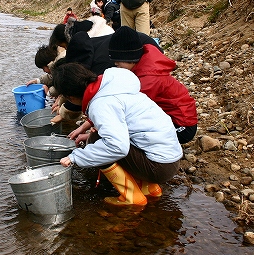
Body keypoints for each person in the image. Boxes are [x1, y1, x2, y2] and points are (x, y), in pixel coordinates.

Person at [54, 62, 183, 206]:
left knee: (97, 140)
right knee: (101, 138)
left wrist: (75, 157)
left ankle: (132, 197)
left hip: (159, 167)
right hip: (170, 158)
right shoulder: (113, 85)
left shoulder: (101, 104)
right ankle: (148, 187)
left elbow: (117, 146)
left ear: (70, 97)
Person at [108, 26, 198, 144]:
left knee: (132, 137)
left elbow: (131, 110)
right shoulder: (142, 65)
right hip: (173, 118)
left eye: (118, 62)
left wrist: (105, 127)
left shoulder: (149, 79)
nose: (115, 65)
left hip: (183, 126)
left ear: (130, 58)